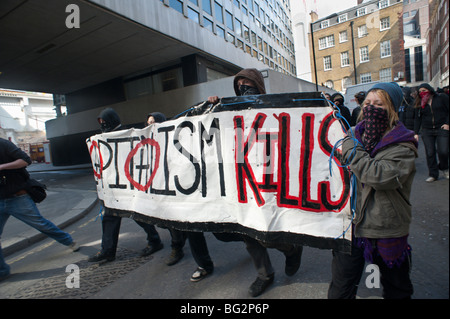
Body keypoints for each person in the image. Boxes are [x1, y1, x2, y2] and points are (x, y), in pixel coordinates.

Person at [208, 68, 303, 297]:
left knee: (267, 232)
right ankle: (264, 275)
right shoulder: (229, 111)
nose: (242, 86)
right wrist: (213, 108)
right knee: (248, 233)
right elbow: (212, 133)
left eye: (247, 82)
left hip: (267, 178)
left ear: (258, 84)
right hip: (240, 180)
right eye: (238, 83)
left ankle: (291, 248)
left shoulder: (271, 107)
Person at [328, 82, 417, 299]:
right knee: (340, 289)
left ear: (392, 109)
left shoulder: (403, 145)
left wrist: (350, 149)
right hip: (351, 224)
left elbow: (377, 175)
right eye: (367, 103)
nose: (371, 107)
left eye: (379, 104)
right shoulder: (354, 135)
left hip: (385, 226)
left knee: (397, 288)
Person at [88, 108, 164, 263]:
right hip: (113, 188)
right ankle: (107, 250)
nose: (103, 126)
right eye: (101, 123)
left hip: (130, 186)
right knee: (109, 218)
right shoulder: (103, 137)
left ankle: (155, 240)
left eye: (105, 122)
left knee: (139, 216)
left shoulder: (129, 134)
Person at [0, 138, 79, 281]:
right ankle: (2, 271)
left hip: (17, 198)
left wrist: (2, 166)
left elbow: (25, 160)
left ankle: (68, 240)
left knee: (40, 224)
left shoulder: (3, 144)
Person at [146, 111, 187, 266]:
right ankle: (180, 239)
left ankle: (177, 248)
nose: (151, 126)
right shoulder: (147, 143)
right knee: (166, 221)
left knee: (172, 220)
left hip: (174, 188)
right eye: (148, 123)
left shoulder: (172, 140)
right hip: (159, 188)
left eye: (154, 122)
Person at [413, 83, 449, 182]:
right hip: (427, 130)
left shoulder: (441, 97)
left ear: (429, 90)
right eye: (420, 92)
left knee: (443, 151)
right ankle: (433, 174)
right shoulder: (419, 103)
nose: (422, 93)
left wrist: (447, 124)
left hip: (441, 128)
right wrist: (415, 133)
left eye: (424, 90)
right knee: (430, 153)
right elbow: (417, 119)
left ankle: (444, 167)